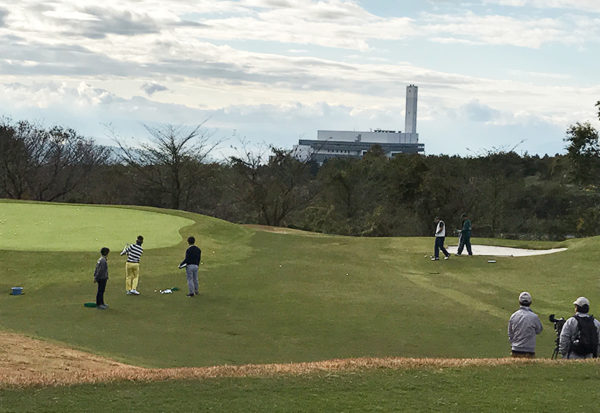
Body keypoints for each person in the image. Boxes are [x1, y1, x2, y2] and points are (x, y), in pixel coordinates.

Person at [507, 291, 543, 357]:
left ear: (519, 302)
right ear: (530, 302)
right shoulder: (534, 317)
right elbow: (539, 330)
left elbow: (510, 333)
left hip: (515, 349)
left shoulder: (514, 316)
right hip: (529, 350)